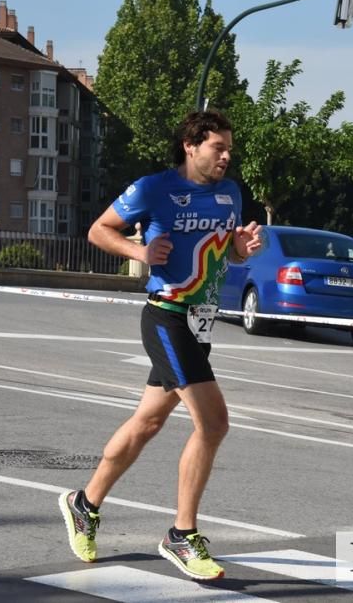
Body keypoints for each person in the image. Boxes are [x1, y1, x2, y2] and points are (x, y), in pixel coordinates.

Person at [59, 110, 261, 581]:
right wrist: (140, 252)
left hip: (202, 323)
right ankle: (181, 535)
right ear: (191, 146)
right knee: (213, 423)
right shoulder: (153, 188)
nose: (227, 156)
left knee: (147, 423)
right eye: (218, 147)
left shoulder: (230, 193)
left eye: (230, 148)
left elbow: (225, 248)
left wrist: (241, 248)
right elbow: (98, 230)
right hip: (166, 317)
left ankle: (83, 504)